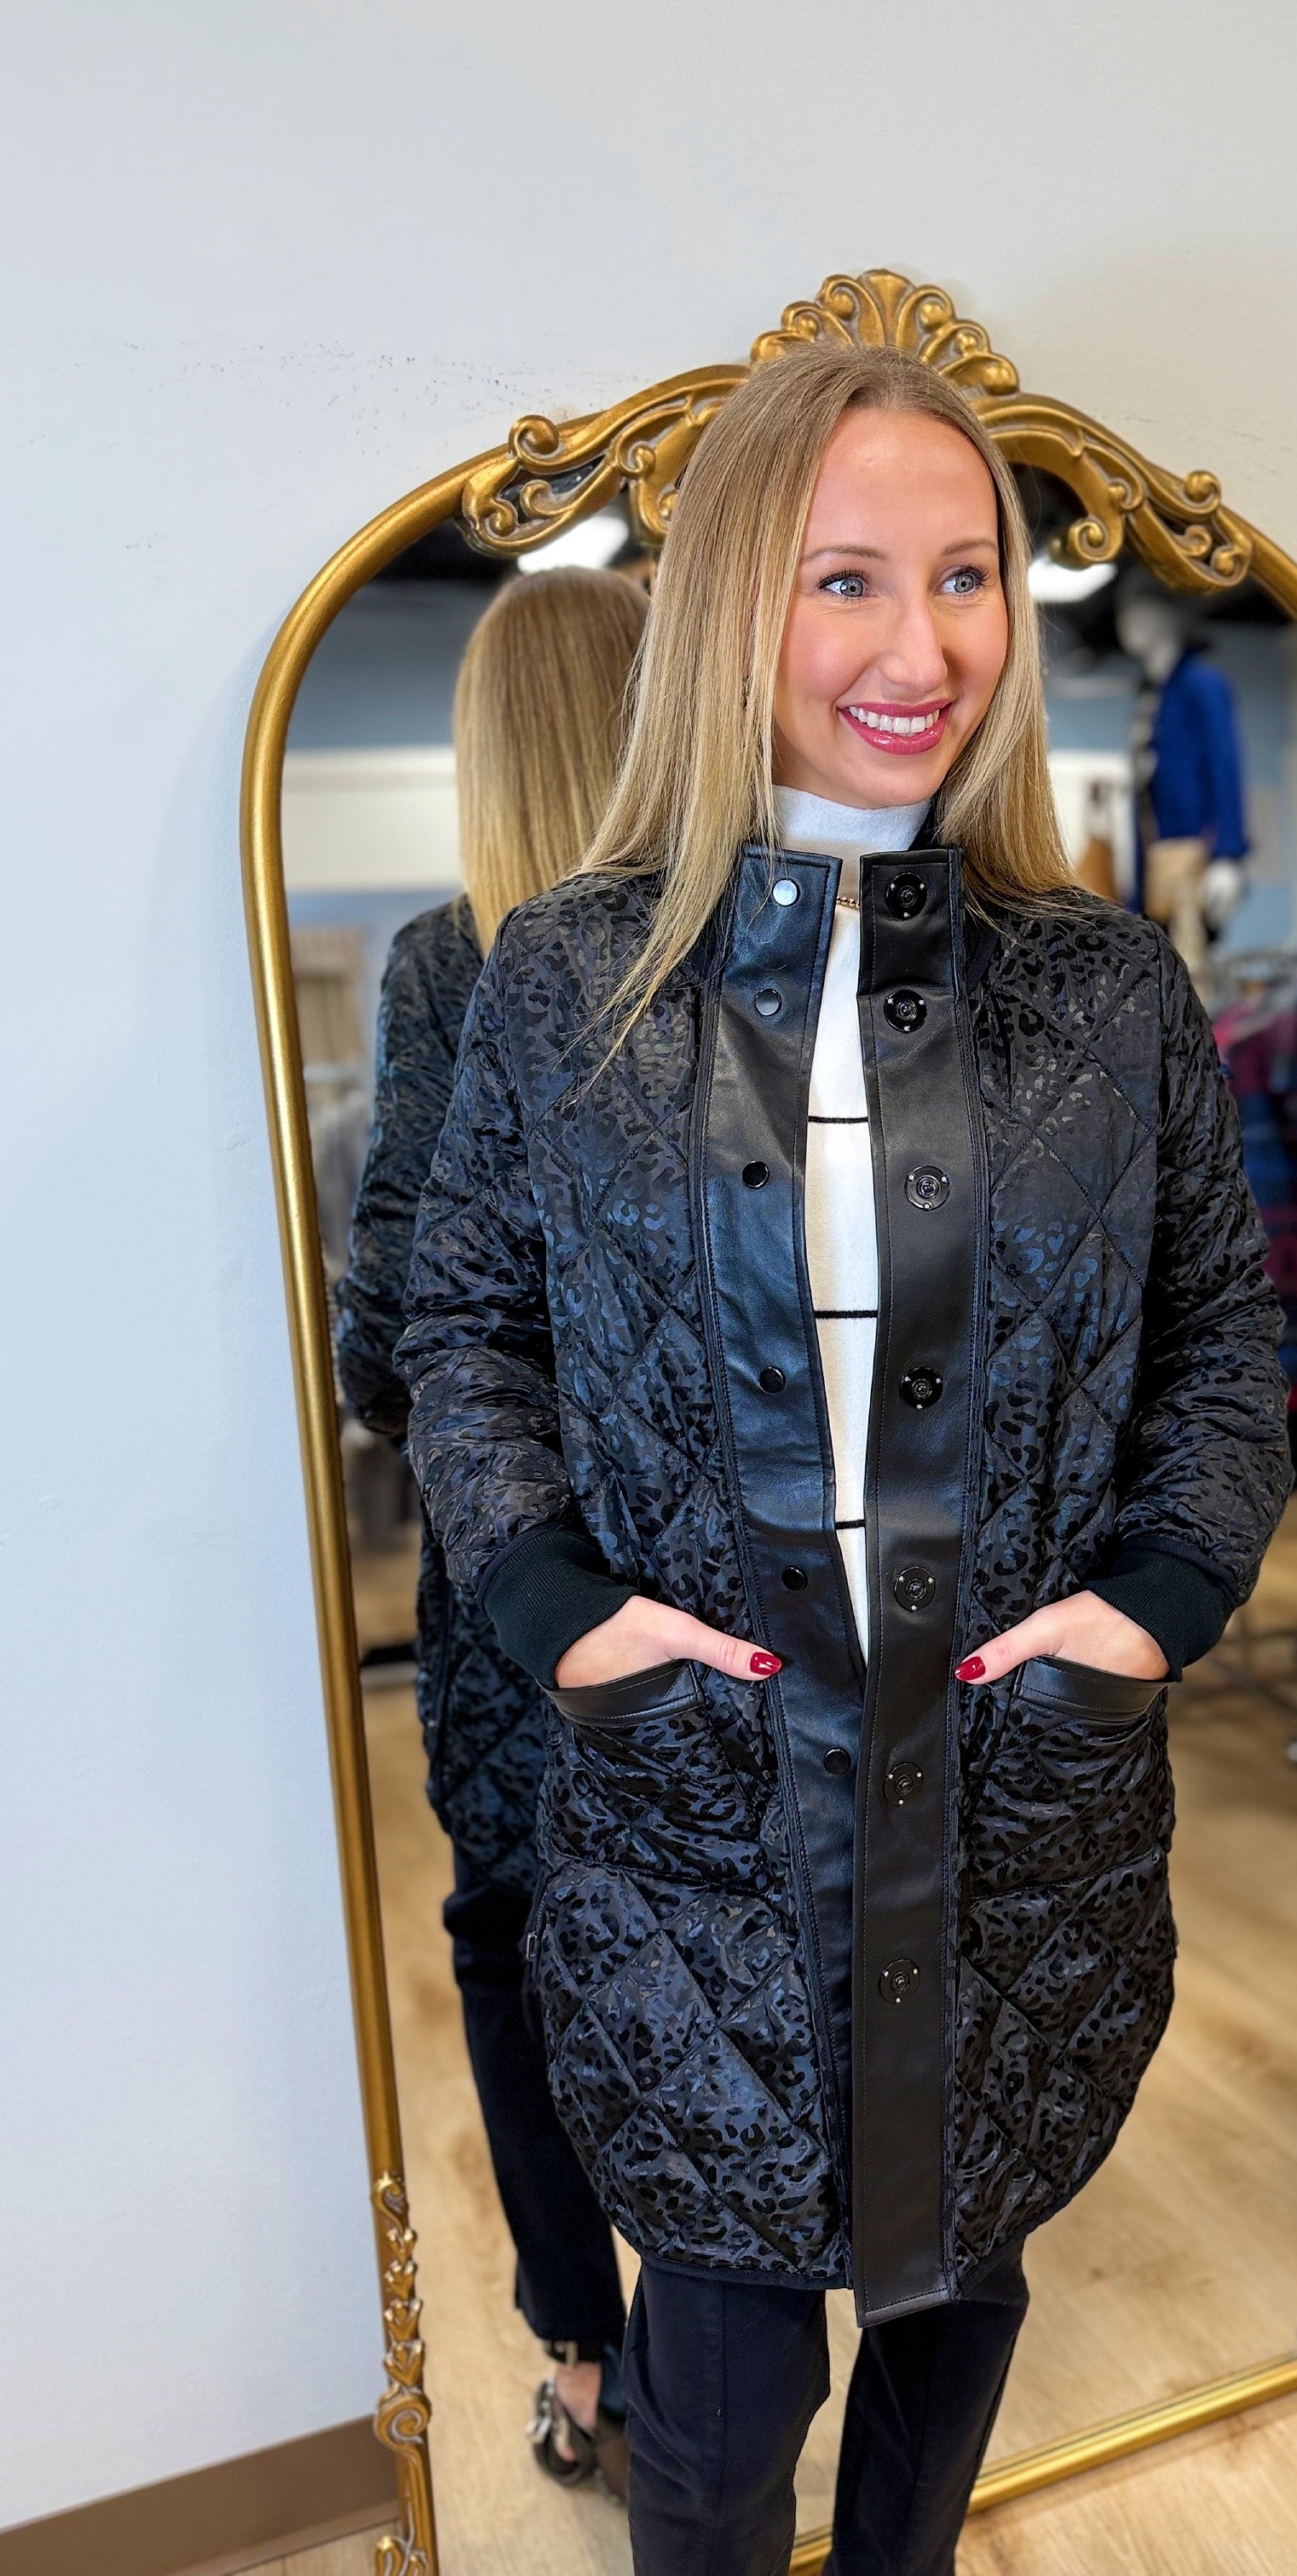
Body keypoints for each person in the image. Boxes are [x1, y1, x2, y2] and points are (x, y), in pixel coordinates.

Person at [399, 346, 1290, 2576]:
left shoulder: (1110, 990)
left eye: (969, 576)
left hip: (1015, 1818)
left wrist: (1146, 1612)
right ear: (730, 606)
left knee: (951, 2343)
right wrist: (563, 1616)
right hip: (700, 1830)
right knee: (715, 2441)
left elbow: (1219, 1344)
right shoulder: (571, 982)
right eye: (848, 580)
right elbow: (468, 1329)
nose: (925, 647)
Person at [336, 563, 648, 2500]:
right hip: (720, 1573)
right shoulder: (741, 946)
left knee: (517, 1954)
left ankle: (584, 2355)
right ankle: (727, 2336)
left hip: (519, 1596)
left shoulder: (450, 967)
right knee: (720, 1959)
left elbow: (390, 1333)